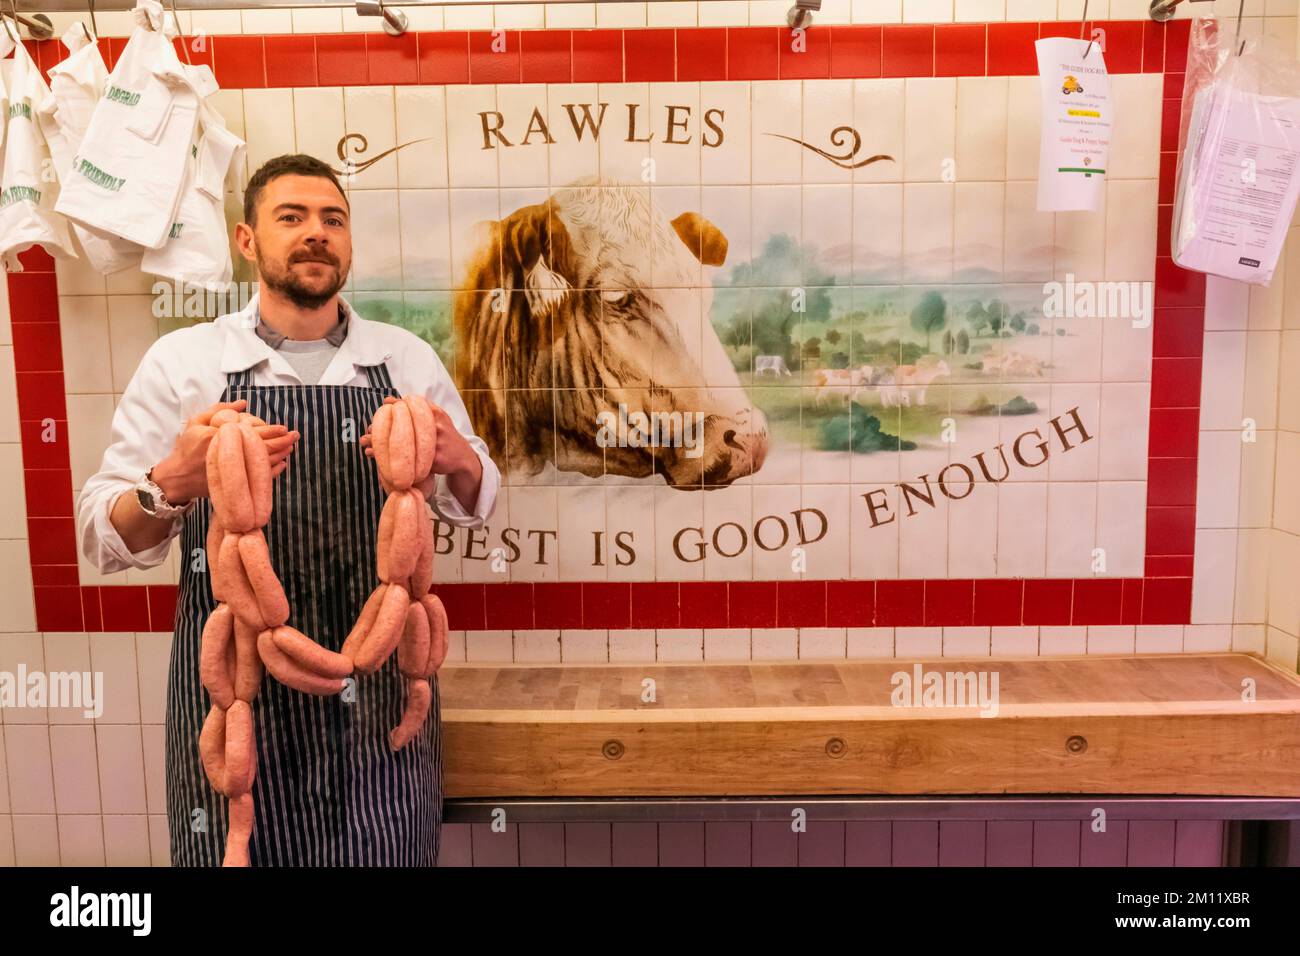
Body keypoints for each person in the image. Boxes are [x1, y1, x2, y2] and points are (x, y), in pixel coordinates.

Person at [75, 153, 500, 866]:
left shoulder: (404, 360)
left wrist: (459, 458)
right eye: (292, 217)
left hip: (381, 692)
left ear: (349, 241)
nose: (316, 234)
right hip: (238, 696)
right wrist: (170, 481)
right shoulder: (186, 362)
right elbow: (102, 536)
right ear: (248, 241)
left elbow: (475, 504)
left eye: (333, 220)